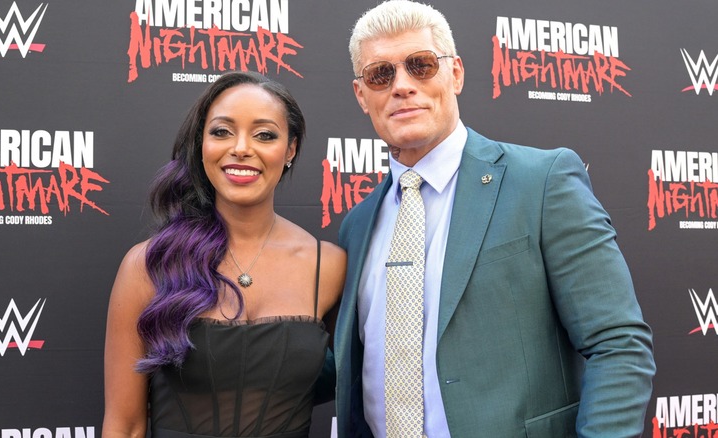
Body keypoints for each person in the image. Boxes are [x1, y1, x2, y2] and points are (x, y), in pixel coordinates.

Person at [333, 1, 656, 437]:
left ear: (457, 73)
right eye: (380, 74)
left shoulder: (541, 182)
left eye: (421, 65)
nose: (402, 86)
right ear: (360, 95)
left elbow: (619, 344)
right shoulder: (356, 225)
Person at [102, 71, 346, 438]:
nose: (241, 148)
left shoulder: (328, 266)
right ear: (201, 144)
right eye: (221, 132)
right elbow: (125, 425)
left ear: (290, 149)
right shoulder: (150, 264)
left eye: (264, 134)